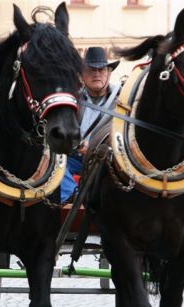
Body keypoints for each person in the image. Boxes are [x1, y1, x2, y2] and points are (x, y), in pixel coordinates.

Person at [60, 46, 120, 202]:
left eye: (101, 70)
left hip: (108, 159)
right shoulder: (71, 99)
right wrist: (79, 146)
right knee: (56, 163)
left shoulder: (122, 102)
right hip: (76, 156)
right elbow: (62, 129)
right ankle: (73, 197)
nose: (96, 74)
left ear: (109, 73)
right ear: (81, 75)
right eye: (91, 70)